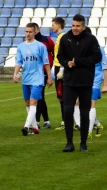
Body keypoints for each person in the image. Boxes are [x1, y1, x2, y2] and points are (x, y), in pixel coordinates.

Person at [57, 14, 102, 152]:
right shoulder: (66, 38)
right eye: (73, 25)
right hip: (69, 81)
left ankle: (83, 143)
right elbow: (60, 56)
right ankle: (69, 143)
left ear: (83, 26)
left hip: (85, 81)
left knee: (84, 112)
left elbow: (97, 56)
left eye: (78, 26)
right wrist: (67, 63)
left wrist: (78, 61)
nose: (75, 28)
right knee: (68, 110)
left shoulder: (91, 39)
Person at [13, 23, 53, 136]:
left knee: (33, 102)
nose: (28, 34)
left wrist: (49, 77)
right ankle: (35, 127)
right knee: (27, 103)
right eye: (26, 31)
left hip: (38, 78)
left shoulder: (41, 46)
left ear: (35, 32)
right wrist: (15, 74)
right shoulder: (21, 46)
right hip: (26, 78)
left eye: (30, 32)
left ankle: (26, 126)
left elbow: (46, 63)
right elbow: (19, 62)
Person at [73, 27, 107, 139]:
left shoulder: (98, 49)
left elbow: (104, 67)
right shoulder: (80, 48)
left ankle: (88, 131)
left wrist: (105, 84)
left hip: (95, 80)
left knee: (91, 103)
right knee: (77, 102)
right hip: (82, 80)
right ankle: (95, 124)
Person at [33, 23, 54, 129]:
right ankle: (45, 121)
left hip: (44, 72)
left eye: (35, 30)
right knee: (38, 97)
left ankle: (38, 121)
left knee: (39, 96)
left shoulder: (47, 40)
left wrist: (51, 64)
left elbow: (54, 51)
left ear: (38, 29)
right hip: (33, 73)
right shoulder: (29, 42)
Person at [51, 17, 66, 130]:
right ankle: (65, 120)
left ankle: (65, 121)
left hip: (60, 68)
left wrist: (61, 68)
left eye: (53, 25)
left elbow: (64, 54)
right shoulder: (59, 37)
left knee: (62, 96)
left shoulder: (62, 37)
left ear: (58, 25)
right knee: (60, 96)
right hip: (57, 67)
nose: (52, 27)